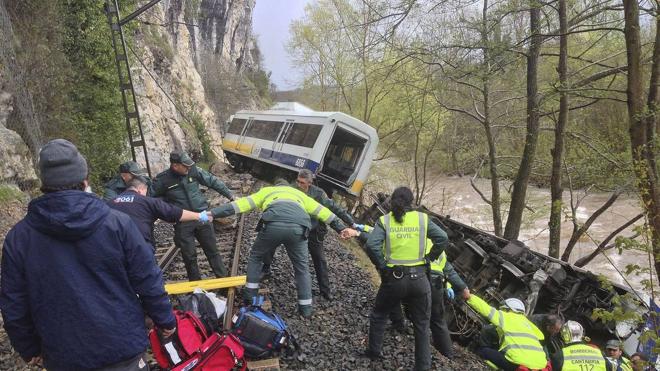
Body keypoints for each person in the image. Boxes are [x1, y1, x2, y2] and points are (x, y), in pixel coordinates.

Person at [0, 139, 175, 370]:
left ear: (44, 183)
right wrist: (165, 320)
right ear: (85, 180)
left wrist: (28, 347)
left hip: (64, 354)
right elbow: (147, 278)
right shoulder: (117, 224)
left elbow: (14, 301)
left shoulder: (20, 237)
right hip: (123, 347)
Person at [209, 179, 358, 317]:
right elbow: (325, 213)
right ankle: (305, 309)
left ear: (276, 186)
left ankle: (250, 297)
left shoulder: (267, 191)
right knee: (302, 268)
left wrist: (213, 213)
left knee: (256, 257)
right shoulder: (300, 194)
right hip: (299, 228)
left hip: (273, 224)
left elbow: (239, 205)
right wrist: (341, 229)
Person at [363, 186, 447, 371]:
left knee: (379, 315)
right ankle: (422, 367)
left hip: (394, 278)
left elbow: (371, 245)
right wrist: (429, 258)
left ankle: (374, 352)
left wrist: (383, 266)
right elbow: (442, 238)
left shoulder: (384, 221)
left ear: (392, 200)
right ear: (412, 202)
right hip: (420, 280)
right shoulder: (422, 219)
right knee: (422, 326)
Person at [262, 169, 357, 300]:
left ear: (310, 183)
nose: (299, 185)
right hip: (294, 226)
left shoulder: (318, 194)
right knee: (272, 240)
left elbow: (334, 208)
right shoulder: (292, 188)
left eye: (302, 183)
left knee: (319, 259)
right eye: (298, 181)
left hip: (313, 230)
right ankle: (265, 270)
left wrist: (350, 223)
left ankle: (325, 290)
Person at [152, 151, 234, 281]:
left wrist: (230, 195)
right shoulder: (163, 179)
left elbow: (212, 181)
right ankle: (196, 288)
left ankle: (223, 281)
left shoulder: (193, 170)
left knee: (213, 251)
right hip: (183, 221)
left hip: (202, 216)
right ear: (175, 166)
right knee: (189, 257)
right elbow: (152, 200)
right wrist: (167, 214)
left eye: (189, 165)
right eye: (185, 166)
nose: (188, 168)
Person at [389, 241, 470, 358]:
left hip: (417, 276)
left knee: (392, 294)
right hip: (436, 283)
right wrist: (463, 287)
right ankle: (447, 354)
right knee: (438, 320)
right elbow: (448, 269)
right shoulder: (437, 246)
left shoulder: (411, 236)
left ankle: (400, 326)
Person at [108, 176, 211, 246]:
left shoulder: (110, 203)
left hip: (114, 245)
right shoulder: (147, 201)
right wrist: (200, 215)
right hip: (139, 245)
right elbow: (175, 213)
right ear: (140, 189)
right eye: (145, 191)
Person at [464, 292, 548, 371]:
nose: (502, 311)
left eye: (503, 309)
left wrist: (469, 297)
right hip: (541, 367)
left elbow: (486, 310)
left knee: (483, 351)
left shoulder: (507, 317)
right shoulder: (529, 325)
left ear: (508, 309)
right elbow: (541, 336)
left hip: (520, 366)